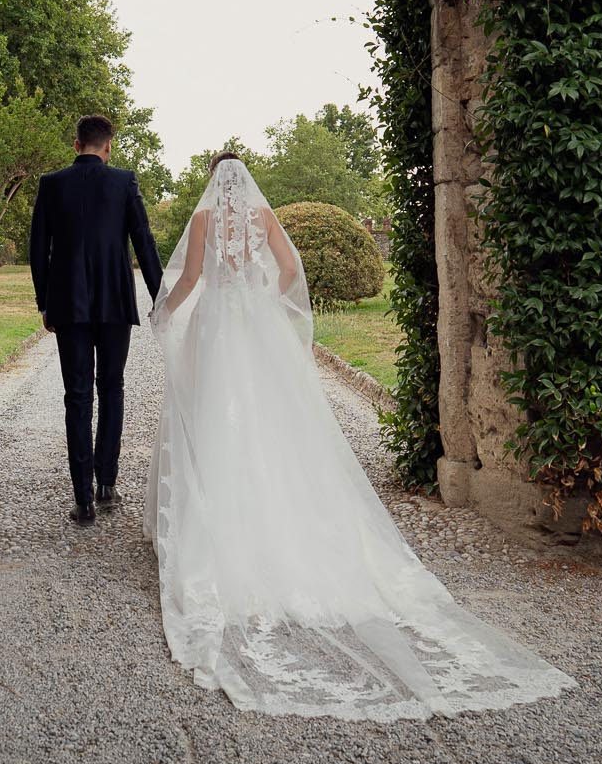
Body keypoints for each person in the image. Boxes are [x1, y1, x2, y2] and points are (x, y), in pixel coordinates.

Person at [140, 153, 576, 720]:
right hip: (254, 329)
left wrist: (163, 311)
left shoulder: (203, 222)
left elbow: (193, 278)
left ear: (212, 184)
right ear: (245, 184)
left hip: (220, 328)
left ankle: (217, 528)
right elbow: (291, 270)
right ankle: (284, 524)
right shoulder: (261, 218)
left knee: (214, 419)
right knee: (276, 428)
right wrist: (266, 302)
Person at [28, 114, 163, 526]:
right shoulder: (124, 181)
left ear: (76, 144)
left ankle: (82, 500)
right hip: (114, 302)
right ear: (108, 146)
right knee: (112, 387)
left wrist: (44, 303)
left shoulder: (51, 184)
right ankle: (107, 483)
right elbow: (143, 238)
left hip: (68, 304)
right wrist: (161, 297)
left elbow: (38, 249)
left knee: (77, 396)